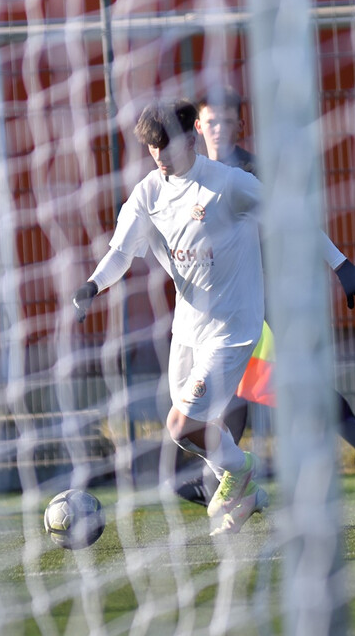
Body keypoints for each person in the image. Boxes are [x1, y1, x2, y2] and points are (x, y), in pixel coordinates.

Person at [172, 86, 355, 505]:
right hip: (224, 307)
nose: (219, 129)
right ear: (198, 128)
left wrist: (342, 267)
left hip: (264, 303)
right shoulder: (189, 176)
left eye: (227, 121)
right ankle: (224, 478)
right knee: (233, 389)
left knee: (287, 386)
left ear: (241, 126)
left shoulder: (254, 175)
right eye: (211, 122)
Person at [72, 99, 268, 536]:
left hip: (234, 326)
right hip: (187, 331)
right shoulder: (149, 192)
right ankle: (247, 496)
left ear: (190, 138)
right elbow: (121, 252)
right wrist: (92, 286)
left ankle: (242, 469)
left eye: (166, 146)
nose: (159, 156)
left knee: (182, 424)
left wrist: (340, 266)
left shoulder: (228, 183)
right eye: (152, 148)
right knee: (193, 430)